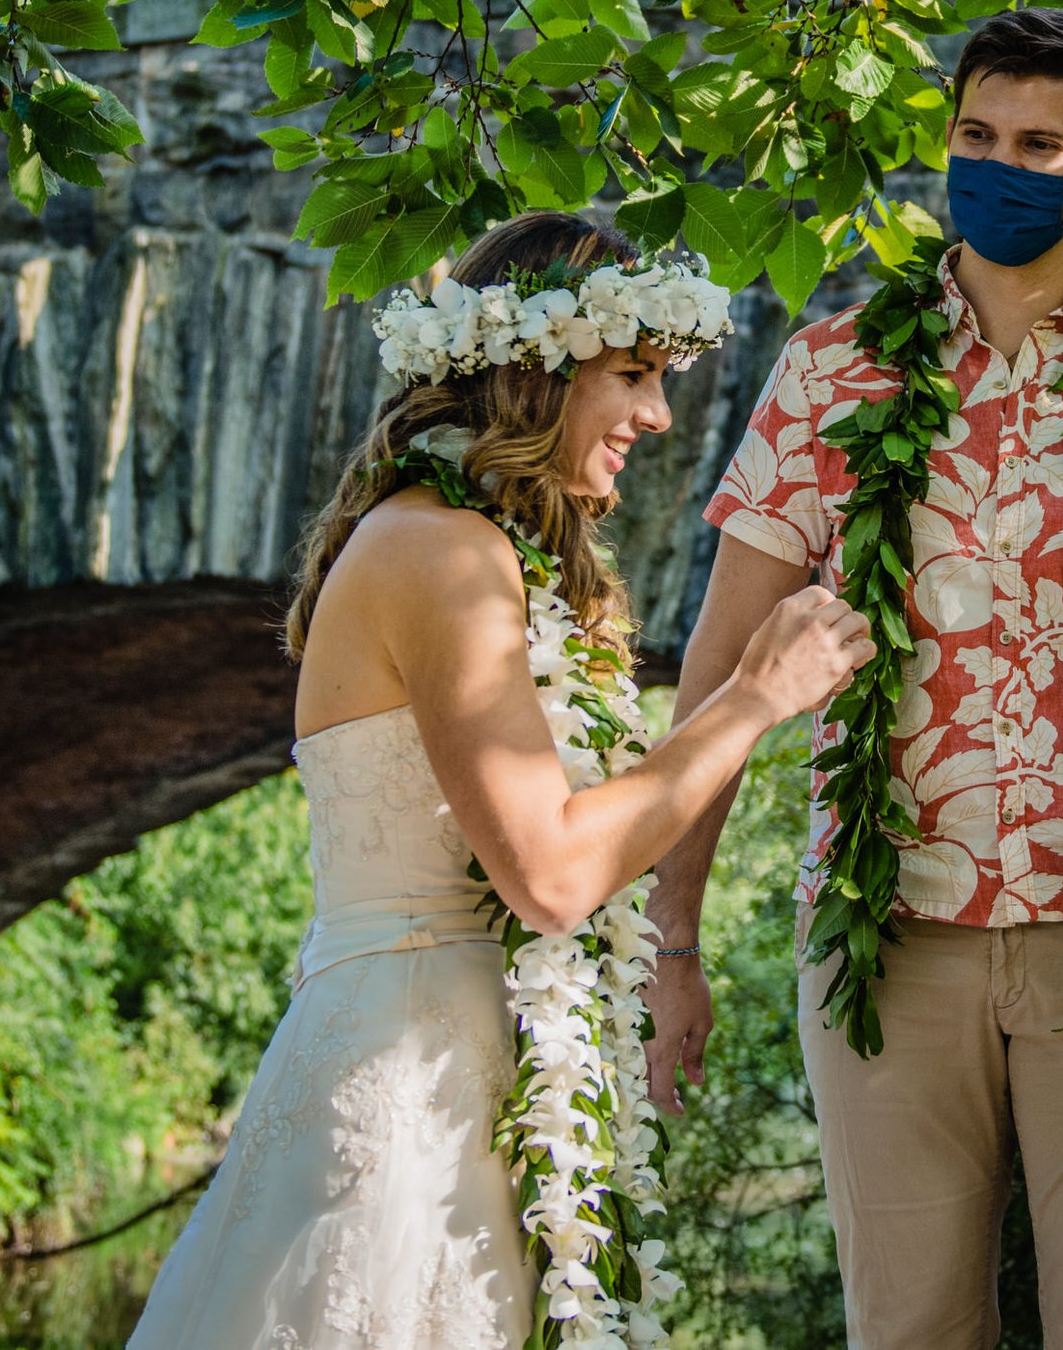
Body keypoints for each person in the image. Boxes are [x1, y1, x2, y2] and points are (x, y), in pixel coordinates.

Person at [647, 7, 1063, 1348]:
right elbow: (717, 677)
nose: (997, 164)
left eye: (1035, 142)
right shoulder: (830, 372)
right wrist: (672, 939)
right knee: (907, 1332)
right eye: (974, 135)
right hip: (888, 934)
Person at [125, 212, 874, 1350]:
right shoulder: (443, 554)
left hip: (482, 1087)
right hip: (410, 1117)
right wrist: (754, 697)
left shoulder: (478, 548)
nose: (660, 414)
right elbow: (556, 871)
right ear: (534, 372)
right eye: (631, 374)